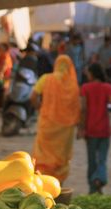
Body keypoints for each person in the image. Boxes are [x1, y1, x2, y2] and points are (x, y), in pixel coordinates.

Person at [30, 55, 80, 183]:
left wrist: (41, 109)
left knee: (43, 154)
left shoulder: (46, 78)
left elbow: (33, 96)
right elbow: (77, 106)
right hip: (66, 128)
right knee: (61, 157)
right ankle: (57, 185)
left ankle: (43, 183)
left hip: (47, 123)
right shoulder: (73, 85)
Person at [79, 63, 111, 194]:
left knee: (91, 160)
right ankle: (99, 179)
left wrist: (81, 128)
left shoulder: (85, 88)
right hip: (104, 128)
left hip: (91, 129)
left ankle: (93, 187)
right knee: (102, 158)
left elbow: (83, 109)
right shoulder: (108, 88)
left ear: (92, 73)